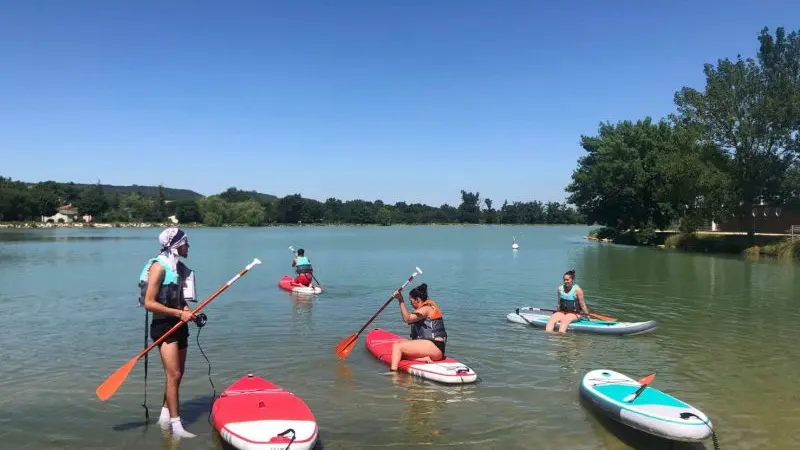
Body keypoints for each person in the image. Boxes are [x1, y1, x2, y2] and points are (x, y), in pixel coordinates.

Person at [137, 227, 197, 438]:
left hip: (180, 325)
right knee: (173, 375)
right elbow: (149, 303)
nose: (188, 246)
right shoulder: (158, 267)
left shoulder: (179, 268)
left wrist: (188, 311)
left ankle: (164, 414)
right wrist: (179, 314)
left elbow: (182, 300)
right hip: (164, 326)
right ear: (176, 245)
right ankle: (176, 425)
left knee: (177, 375)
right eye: (186, 242)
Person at [389, 283, 447, 371]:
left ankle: (393, 374)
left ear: (418, 299)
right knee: (401, 354)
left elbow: (407, 319)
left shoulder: (426, 309)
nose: (411, 304)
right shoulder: (424, 309)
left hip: (434, 346)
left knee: (397, 347)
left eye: (411, 301)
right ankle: (424, 359)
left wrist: (400, 300)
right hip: (436, 350)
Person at [545, 269, 589, 333]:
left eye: (567, 280)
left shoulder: (578, 290)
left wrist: (588, 316)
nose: (565, 281)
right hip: (562, 312)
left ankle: (562, 337)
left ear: (572, 280)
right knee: (551, 319)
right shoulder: (560, 289)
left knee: (565, 320)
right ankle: (550, 338)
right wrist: (556, 312)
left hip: (575, 313)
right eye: (564, 280)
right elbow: (559, 303)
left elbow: (583, 305)